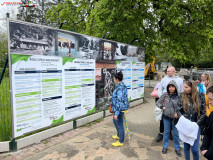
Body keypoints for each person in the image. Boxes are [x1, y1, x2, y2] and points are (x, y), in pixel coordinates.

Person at [156, 66, 183, 142]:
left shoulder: (180, 80)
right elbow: (160, 89)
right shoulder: (164, 79)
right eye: (167, 71)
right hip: (165, 101)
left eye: (168, 71)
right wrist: (162, 99)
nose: (167, 72)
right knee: (163, 118)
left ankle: (169, 132)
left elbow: (181, 91)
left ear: (174, 71)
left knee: (173, 117)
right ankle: (161, 133)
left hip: (175, 102)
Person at [180, 80, 206, 160]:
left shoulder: (200, 96)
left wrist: (197, 124)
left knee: (194, 149)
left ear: (192, 88)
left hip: (195, 124)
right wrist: (181, 118)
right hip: (186, 124)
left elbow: (203, 112)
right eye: (183, 87)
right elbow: (178, 109)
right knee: (186, 146)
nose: (184, 89)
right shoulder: (182, 96)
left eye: (186, 87)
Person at [156, 80, 182, 157]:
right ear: (168, 87)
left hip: (175, 118)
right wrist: (162, 107)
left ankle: (177, 148)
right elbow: (158, 102)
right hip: (166, 117)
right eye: (170, 87)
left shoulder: (179, 96)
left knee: (176, 133)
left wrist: (177, 113)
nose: (171, 88)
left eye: (173, 86)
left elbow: (181, 106)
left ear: (175, 87)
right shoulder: (165, 95)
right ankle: (165, 147)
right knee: (166, 132)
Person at [111, 71, 129, 147]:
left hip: (119, 109)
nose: (113, 79)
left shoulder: (120, 88)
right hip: (117, 108)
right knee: (115, 122)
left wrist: (117, 113)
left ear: (117, 79)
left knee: (120, 124)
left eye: (114, 78)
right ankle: (118, 135)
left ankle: (120, 141)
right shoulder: (120, 86)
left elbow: (119, 101)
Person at [200, 86, 213, 160]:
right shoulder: (212, 115)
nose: (209, 102)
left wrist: (209, 154)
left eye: (211, 99)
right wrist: (204, 148)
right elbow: (208, 132)